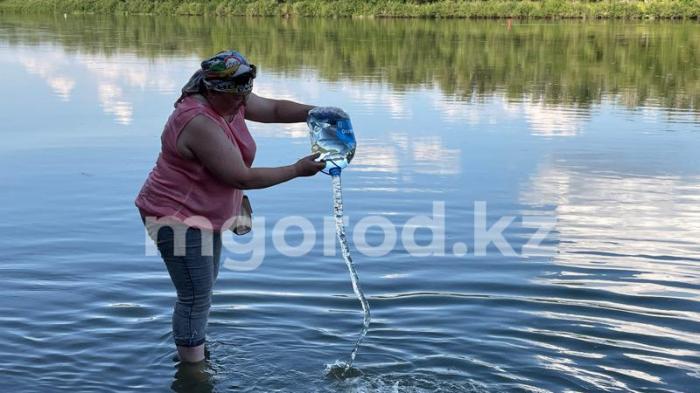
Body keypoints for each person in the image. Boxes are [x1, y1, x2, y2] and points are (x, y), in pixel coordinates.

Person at [135, 50, 326, 363]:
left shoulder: (231, 94)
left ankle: (195, 350)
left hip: (205, 211)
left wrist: (319, 112)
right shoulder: (197, 121)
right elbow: (241, 177)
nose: (243, 104)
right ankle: (193, 371)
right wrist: (297, 169)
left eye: (245, 95)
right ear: (212, 90)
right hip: (176, 215)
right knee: (195, 295)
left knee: (202, 291)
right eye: (237, 98)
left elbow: (276, 110)